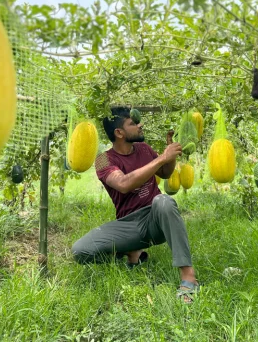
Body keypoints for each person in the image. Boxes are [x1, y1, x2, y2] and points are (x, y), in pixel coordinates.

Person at [72, 107, 199, 303]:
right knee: (80, 250)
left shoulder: (144, 149)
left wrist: (169, 158)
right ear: (119, 133)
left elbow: (164, 173)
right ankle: (130, 251)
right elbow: (123, 184)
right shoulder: (103, 160)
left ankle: (188, 277)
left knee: (163, 200)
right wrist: (162, 158)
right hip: (128, 225)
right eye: (133, 123)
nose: (140, 125)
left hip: (155, 218)